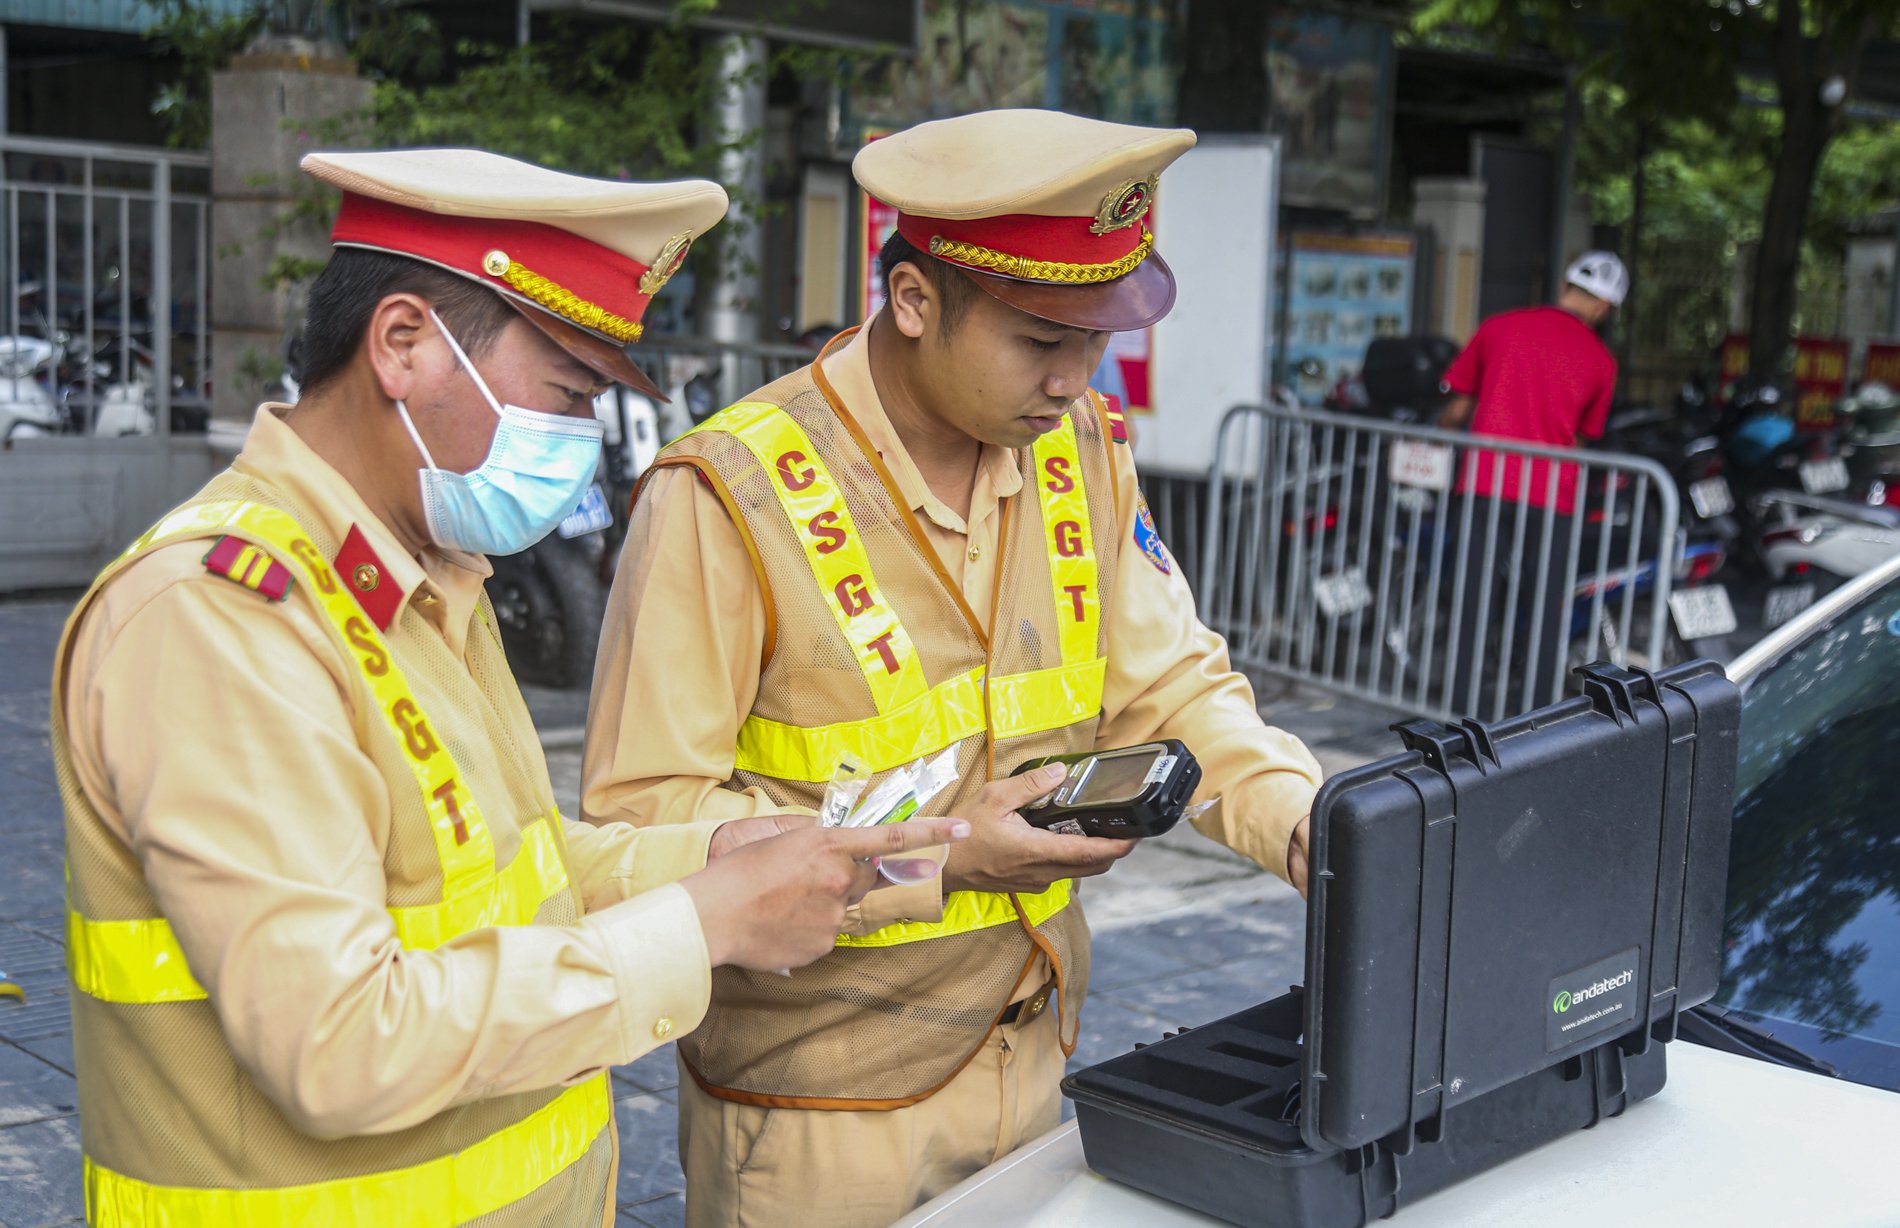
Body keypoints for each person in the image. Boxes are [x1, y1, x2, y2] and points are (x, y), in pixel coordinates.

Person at [50, 147, 965, 1226]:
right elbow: (338, 1040)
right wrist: (699, 924)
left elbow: (505, 871)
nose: (578, 445)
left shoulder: (422, 574)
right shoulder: (221, 619)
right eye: (566, 395)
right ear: (402, 346)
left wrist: (716, 858)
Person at [582, 108, 1324, 1227]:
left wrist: (1306, 823)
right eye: (1040, 340)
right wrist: (944, 856)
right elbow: (642, 826)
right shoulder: (727, 495)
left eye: (1097, 340)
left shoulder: (1080, 452)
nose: (1074, 379)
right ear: (916, 301)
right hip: (813, 1104)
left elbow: (1170, 688)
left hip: (1031, 1056)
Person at [1436, 250, 1625, 715]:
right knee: (1545, 605)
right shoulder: (1601, 361)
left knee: (1473, 596)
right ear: (1605, 308)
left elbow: (1457, 410)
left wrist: (1437, 442)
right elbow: (1582, 436)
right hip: (1551, 493)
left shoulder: (1499, 326)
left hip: (1484, 481)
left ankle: (1459, 713)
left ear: (1565, 286)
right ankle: (1535, 714)